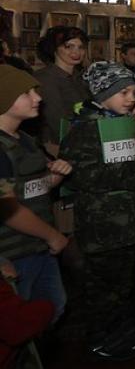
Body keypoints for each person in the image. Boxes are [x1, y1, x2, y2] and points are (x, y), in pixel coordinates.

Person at [59, 62, 135, 361]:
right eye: (124, 93)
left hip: (130, 220)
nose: (131, 99)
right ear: (103, 94)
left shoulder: (126, 123)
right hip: (104, 224)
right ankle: (100, 339)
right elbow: (85, 177)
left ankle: (120, 329)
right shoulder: (85, 129)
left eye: (132, 92)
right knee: (102, 288)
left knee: (122, 284)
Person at [0, 66, 71, 322]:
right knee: (19, 323)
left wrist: (55, 176)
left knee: (50, 309)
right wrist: (54, 236)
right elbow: (7, 209)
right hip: (14, 254)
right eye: (26, 93)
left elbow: (31, 189)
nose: (37, 98)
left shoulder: (25, 139)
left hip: (37, 246)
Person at [33, 26, 91, 156]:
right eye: (69, 46)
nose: (76, 52)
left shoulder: (80, 77)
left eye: (81, 47)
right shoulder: (45, 78)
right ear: (55, 49)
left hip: (83, 143)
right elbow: (56, 121)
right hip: (57, 147)